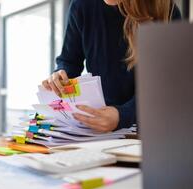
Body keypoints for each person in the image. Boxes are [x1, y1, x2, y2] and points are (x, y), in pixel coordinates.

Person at [42, 0, 181, 132]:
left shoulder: (165, 10)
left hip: (151, 126)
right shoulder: (81, 5)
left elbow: (165, 86)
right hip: (100, 124)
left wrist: (122, 115)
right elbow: (69, 61)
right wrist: (60, 75)